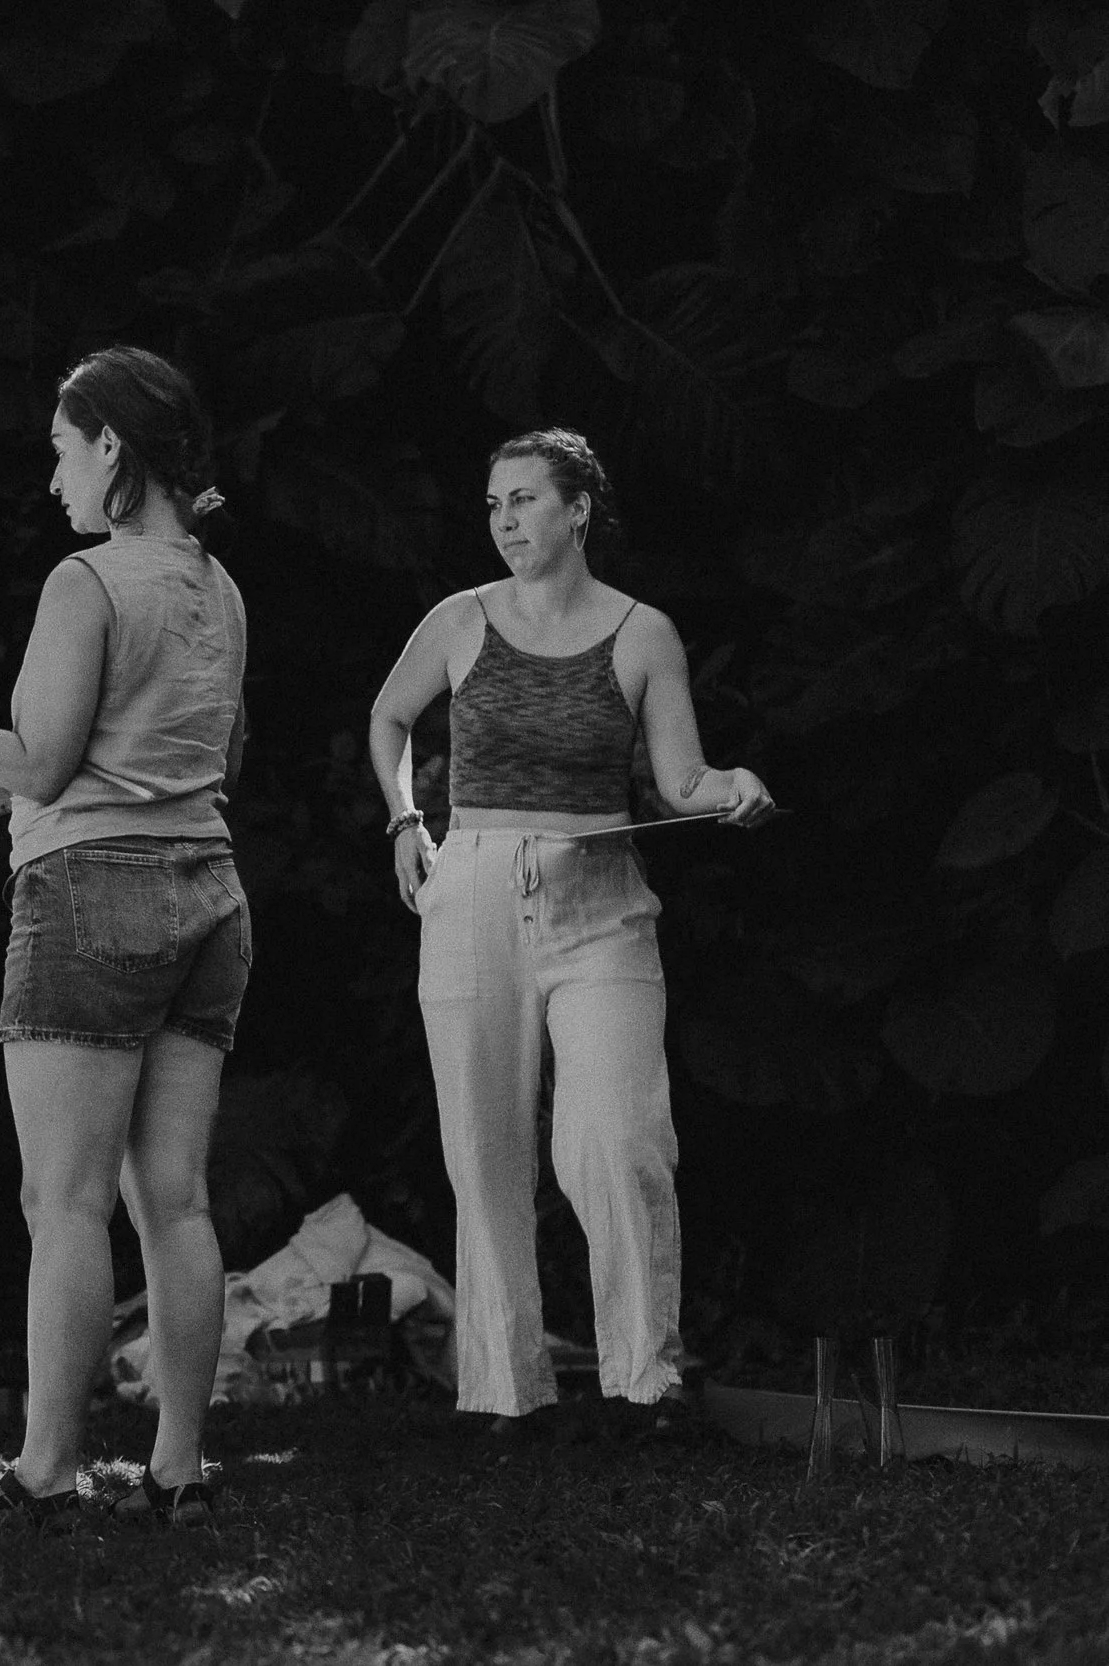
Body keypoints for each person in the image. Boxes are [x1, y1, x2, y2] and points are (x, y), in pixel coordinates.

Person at [0, 345, 248, 1527]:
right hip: (211, 894)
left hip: (92, 897)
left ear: (111, 448)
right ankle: (177, 1469)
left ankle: (46, 1471)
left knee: (62, 1200)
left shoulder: (88, 580)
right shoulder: (218, 587)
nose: (54, 476)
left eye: (63, 449)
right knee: (173, 1199)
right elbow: (211, 761)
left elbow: (40, 762)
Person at [365, 428, 775, 1435]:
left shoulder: (642, 634)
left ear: (577, 509)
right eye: (494, 505)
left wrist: (736, 788)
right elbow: (388, 718)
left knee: (618, 1136)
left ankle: (647, 1381)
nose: (505, 521)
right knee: (484, 1150)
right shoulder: (459, 621)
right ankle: (507, 1393)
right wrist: (404, 820)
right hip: (469, 899)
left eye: (525, 500)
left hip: (599, 907)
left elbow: (681, 781)